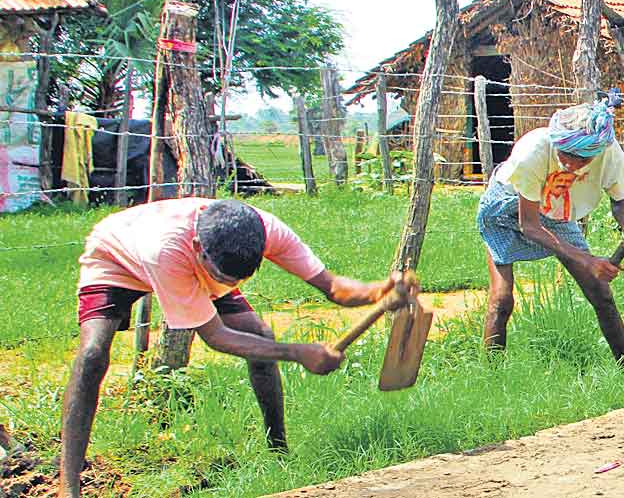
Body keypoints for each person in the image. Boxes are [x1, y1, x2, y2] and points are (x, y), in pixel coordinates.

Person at [63, 198, 397, 497]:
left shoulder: (265, 230)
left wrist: (381, 290)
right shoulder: (167, 249)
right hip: (116, 258)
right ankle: (69, 485)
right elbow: (216, 336)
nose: (232, 286)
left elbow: (333, 286)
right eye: (225, 277)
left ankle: (279, 453)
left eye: (240, 279)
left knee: (259, 336)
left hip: (190, 265)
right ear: (199, 247)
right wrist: (297, 352)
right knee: (93, 356)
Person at [477, 96, 624, 366]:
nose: (570, 164)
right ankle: (492, 374)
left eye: (581, 159)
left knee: (600, 293)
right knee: (501, 299)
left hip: (555, 212)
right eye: (565, 156)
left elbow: (620, 200)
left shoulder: (608, 152)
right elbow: (529, 225)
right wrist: (588, 260)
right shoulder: (534, 150)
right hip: (507, 208)